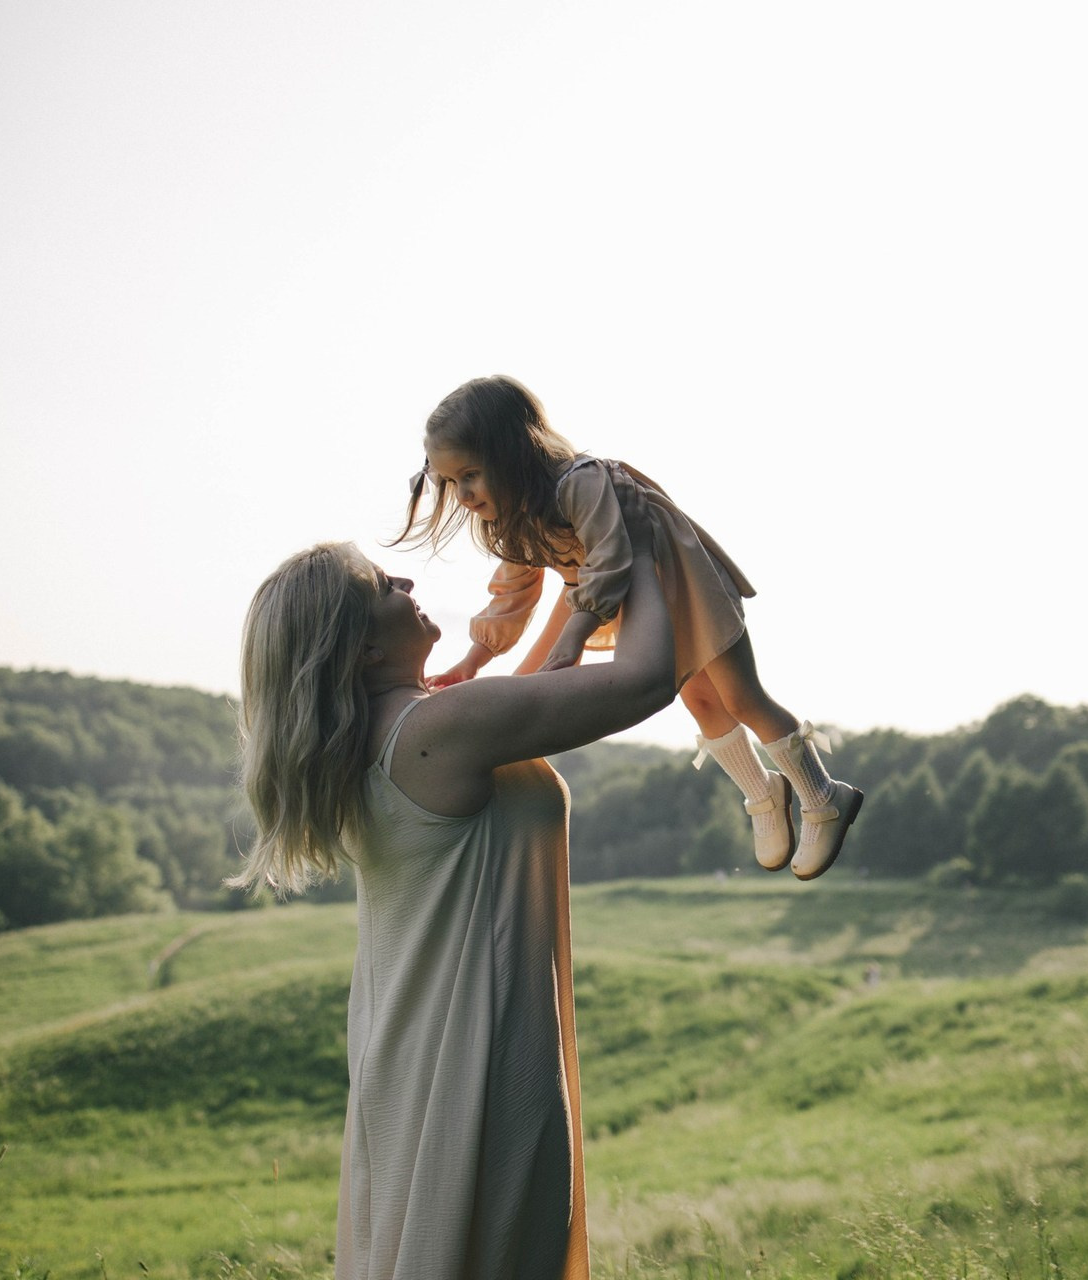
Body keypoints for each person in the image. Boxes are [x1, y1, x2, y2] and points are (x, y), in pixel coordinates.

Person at [227, 481, 675, 1280]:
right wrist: (639, 538)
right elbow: (644, 681)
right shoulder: (436, 730)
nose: (403, 583)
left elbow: (541, 682)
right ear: (360, 646)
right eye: (379, 586)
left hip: (410, 1049)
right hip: (475, 1056)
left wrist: (584, 568)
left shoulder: (386, 736)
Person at [390, 373, 863, 880]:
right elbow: (513, 592)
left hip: (687, 584)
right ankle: (764, 792)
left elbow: (611, 560)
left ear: (513, 451)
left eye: (471, 475)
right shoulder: (513, 515)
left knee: (742, 697)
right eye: (451, 481)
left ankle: (823, 795)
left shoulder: (583, 482)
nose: (462, 494)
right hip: (644, 602)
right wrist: (473, 661)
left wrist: (572, 639)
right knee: (701, 703)